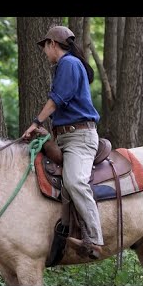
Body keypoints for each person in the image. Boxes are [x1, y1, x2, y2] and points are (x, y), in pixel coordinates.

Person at [22, 26, 103, 258]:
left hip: (80, 138)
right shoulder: (68, 65)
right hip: (67, 137)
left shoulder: (68, 64)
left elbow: (57, 99)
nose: (44, 52)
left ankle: (95, 239)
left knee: (76, 181)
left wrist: (36, 122)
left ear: (53, 44)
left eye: (45, 47)